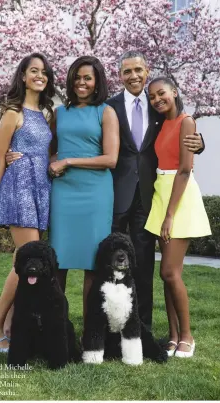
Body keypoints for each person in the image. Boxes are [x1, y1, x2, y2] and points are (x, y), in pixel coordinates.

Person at [106, 50, 204, 330]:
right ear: (120, 75)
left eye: (138, 70)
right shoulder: (109, 106)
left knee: (144, 264)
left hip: (150, 198)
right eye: (127, 71)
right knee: (108, 262)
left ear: (146, 71)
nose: (133, 76)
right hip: (116, 194)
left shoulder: (158, 104)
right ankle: (110, 325)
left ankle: (142, 328)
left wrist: (200, 142)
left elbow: (181, 129)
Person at [0, 52, 55, 352]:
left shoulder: (49, 114)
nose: (39, 75)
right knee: (25, 259)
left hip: (41, 188)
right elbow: (0, 157)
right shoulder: (12, 112)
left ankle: (12, 326)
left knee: (23, 259)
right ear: (23, 76)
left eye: (44, 72)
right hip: (19, 188)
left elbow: (48, 152)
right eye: (33, 71)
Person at [48, 56, 119, 323]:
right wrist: (50, 162)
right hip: (63, 193)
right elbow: (49, 149)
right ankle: (56, 330)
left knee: (93, 263)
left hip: (95, 194)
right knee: (57, 261)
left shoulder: (106, 112)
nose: (81, 82)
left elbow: (110, 158)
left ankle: (91, 334)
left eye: (87, 77)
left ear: (97, 80)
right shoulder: (60, 113)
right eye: (77, 77)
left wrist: (68, 160)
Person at [144, 76, 211, 357]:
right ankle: (172, 337)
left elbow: (184, 170)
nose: (157, 99)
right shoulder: (160, 124)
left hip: (179, 197)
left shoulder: (186, 121)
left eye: (162, 94)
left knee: (169, 271)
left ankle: (187, 336)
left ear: (174, 91)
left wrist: (169, 215)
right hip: (161, 192)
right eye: (152, 97)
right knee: (168, 274)